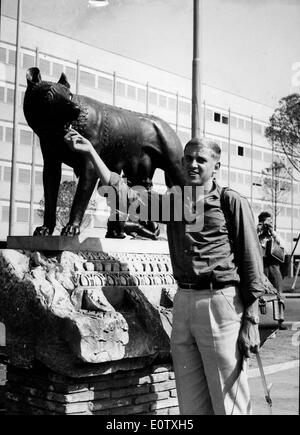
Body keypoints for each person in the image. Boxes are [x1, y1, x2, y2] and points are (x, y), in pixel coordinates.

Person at [64, 130, 266, 415]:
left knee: (228, 401)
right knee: (191, 402)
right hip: (182, 301)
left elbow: (251, 261)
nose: (193, 164)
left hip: (220, 301)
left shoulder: (230, 201)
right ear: (182, 164)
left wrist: (252, 320)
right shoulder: (175, 202)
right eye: (188, 159)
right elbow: (124, 197)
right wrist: (90, 153)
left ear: (216, 167)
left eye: (201, 160)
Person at [257, 211, 285, 293]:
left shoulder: (274, 237)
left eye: (270, 222)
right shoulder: (257, 238)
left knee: (278, 294)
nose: (266, 226)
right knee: (262, 296)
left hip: (274, 267)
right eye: (264, 223)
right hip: (261, 268)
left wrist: (272, 232)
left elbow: (283, 246)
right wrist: (256, 232)